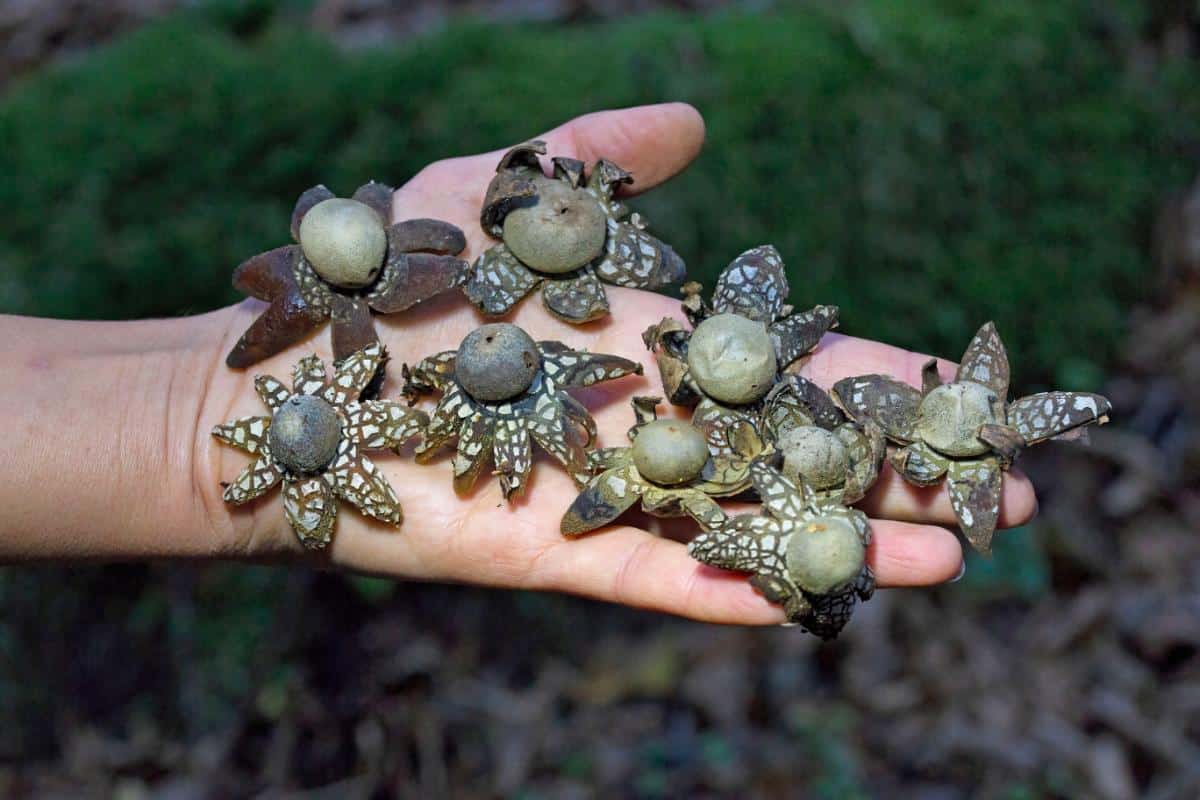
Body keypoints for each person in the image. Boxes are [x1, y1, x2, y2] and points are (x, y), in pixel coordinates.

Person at [0, 103, 1035, 624]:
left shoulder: (740, 425)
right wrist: (198, 418)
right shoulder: (483, 310)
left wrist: (193, 419)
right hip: (494, 399)